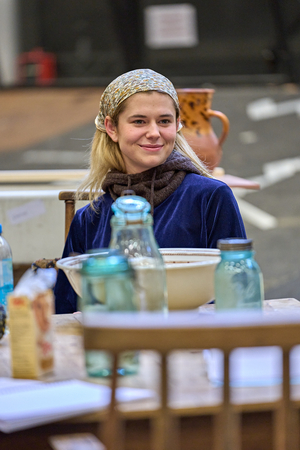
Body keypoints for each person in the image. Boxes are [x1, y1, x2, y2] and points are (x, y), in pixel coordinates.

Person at [54, 68, 246, 314]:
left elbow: (237, 291)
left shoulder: (211, 197)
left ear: (178, 124)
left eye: (164, 121)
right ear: (111, 127)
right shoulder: (89, 218)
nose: (154, 133)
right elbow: (65, 312)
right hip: (117, 348)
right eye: (139, 121)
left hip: (195, 344)